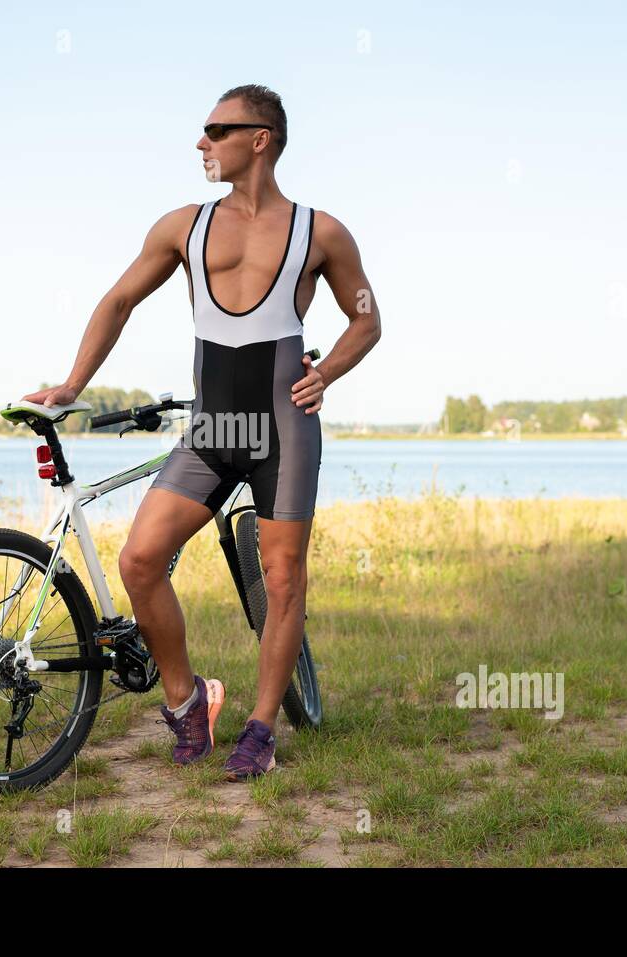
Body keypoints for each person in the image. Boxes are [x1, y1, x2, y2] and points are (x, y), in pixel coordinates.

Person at [23, 84, 381, 780]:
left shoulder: (322, 232)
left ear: (260, 138)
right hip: (213, 427)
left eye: (217, 129)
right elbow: (120, 298)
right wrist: (71, 384)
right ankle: (188, 701)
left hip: (284, 428)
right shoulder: (181, 226)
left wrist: (328, 371)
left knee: (282, 578)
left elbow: (367, 317)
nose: (201, 142)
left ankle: (261, 729)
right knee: (140, 560)